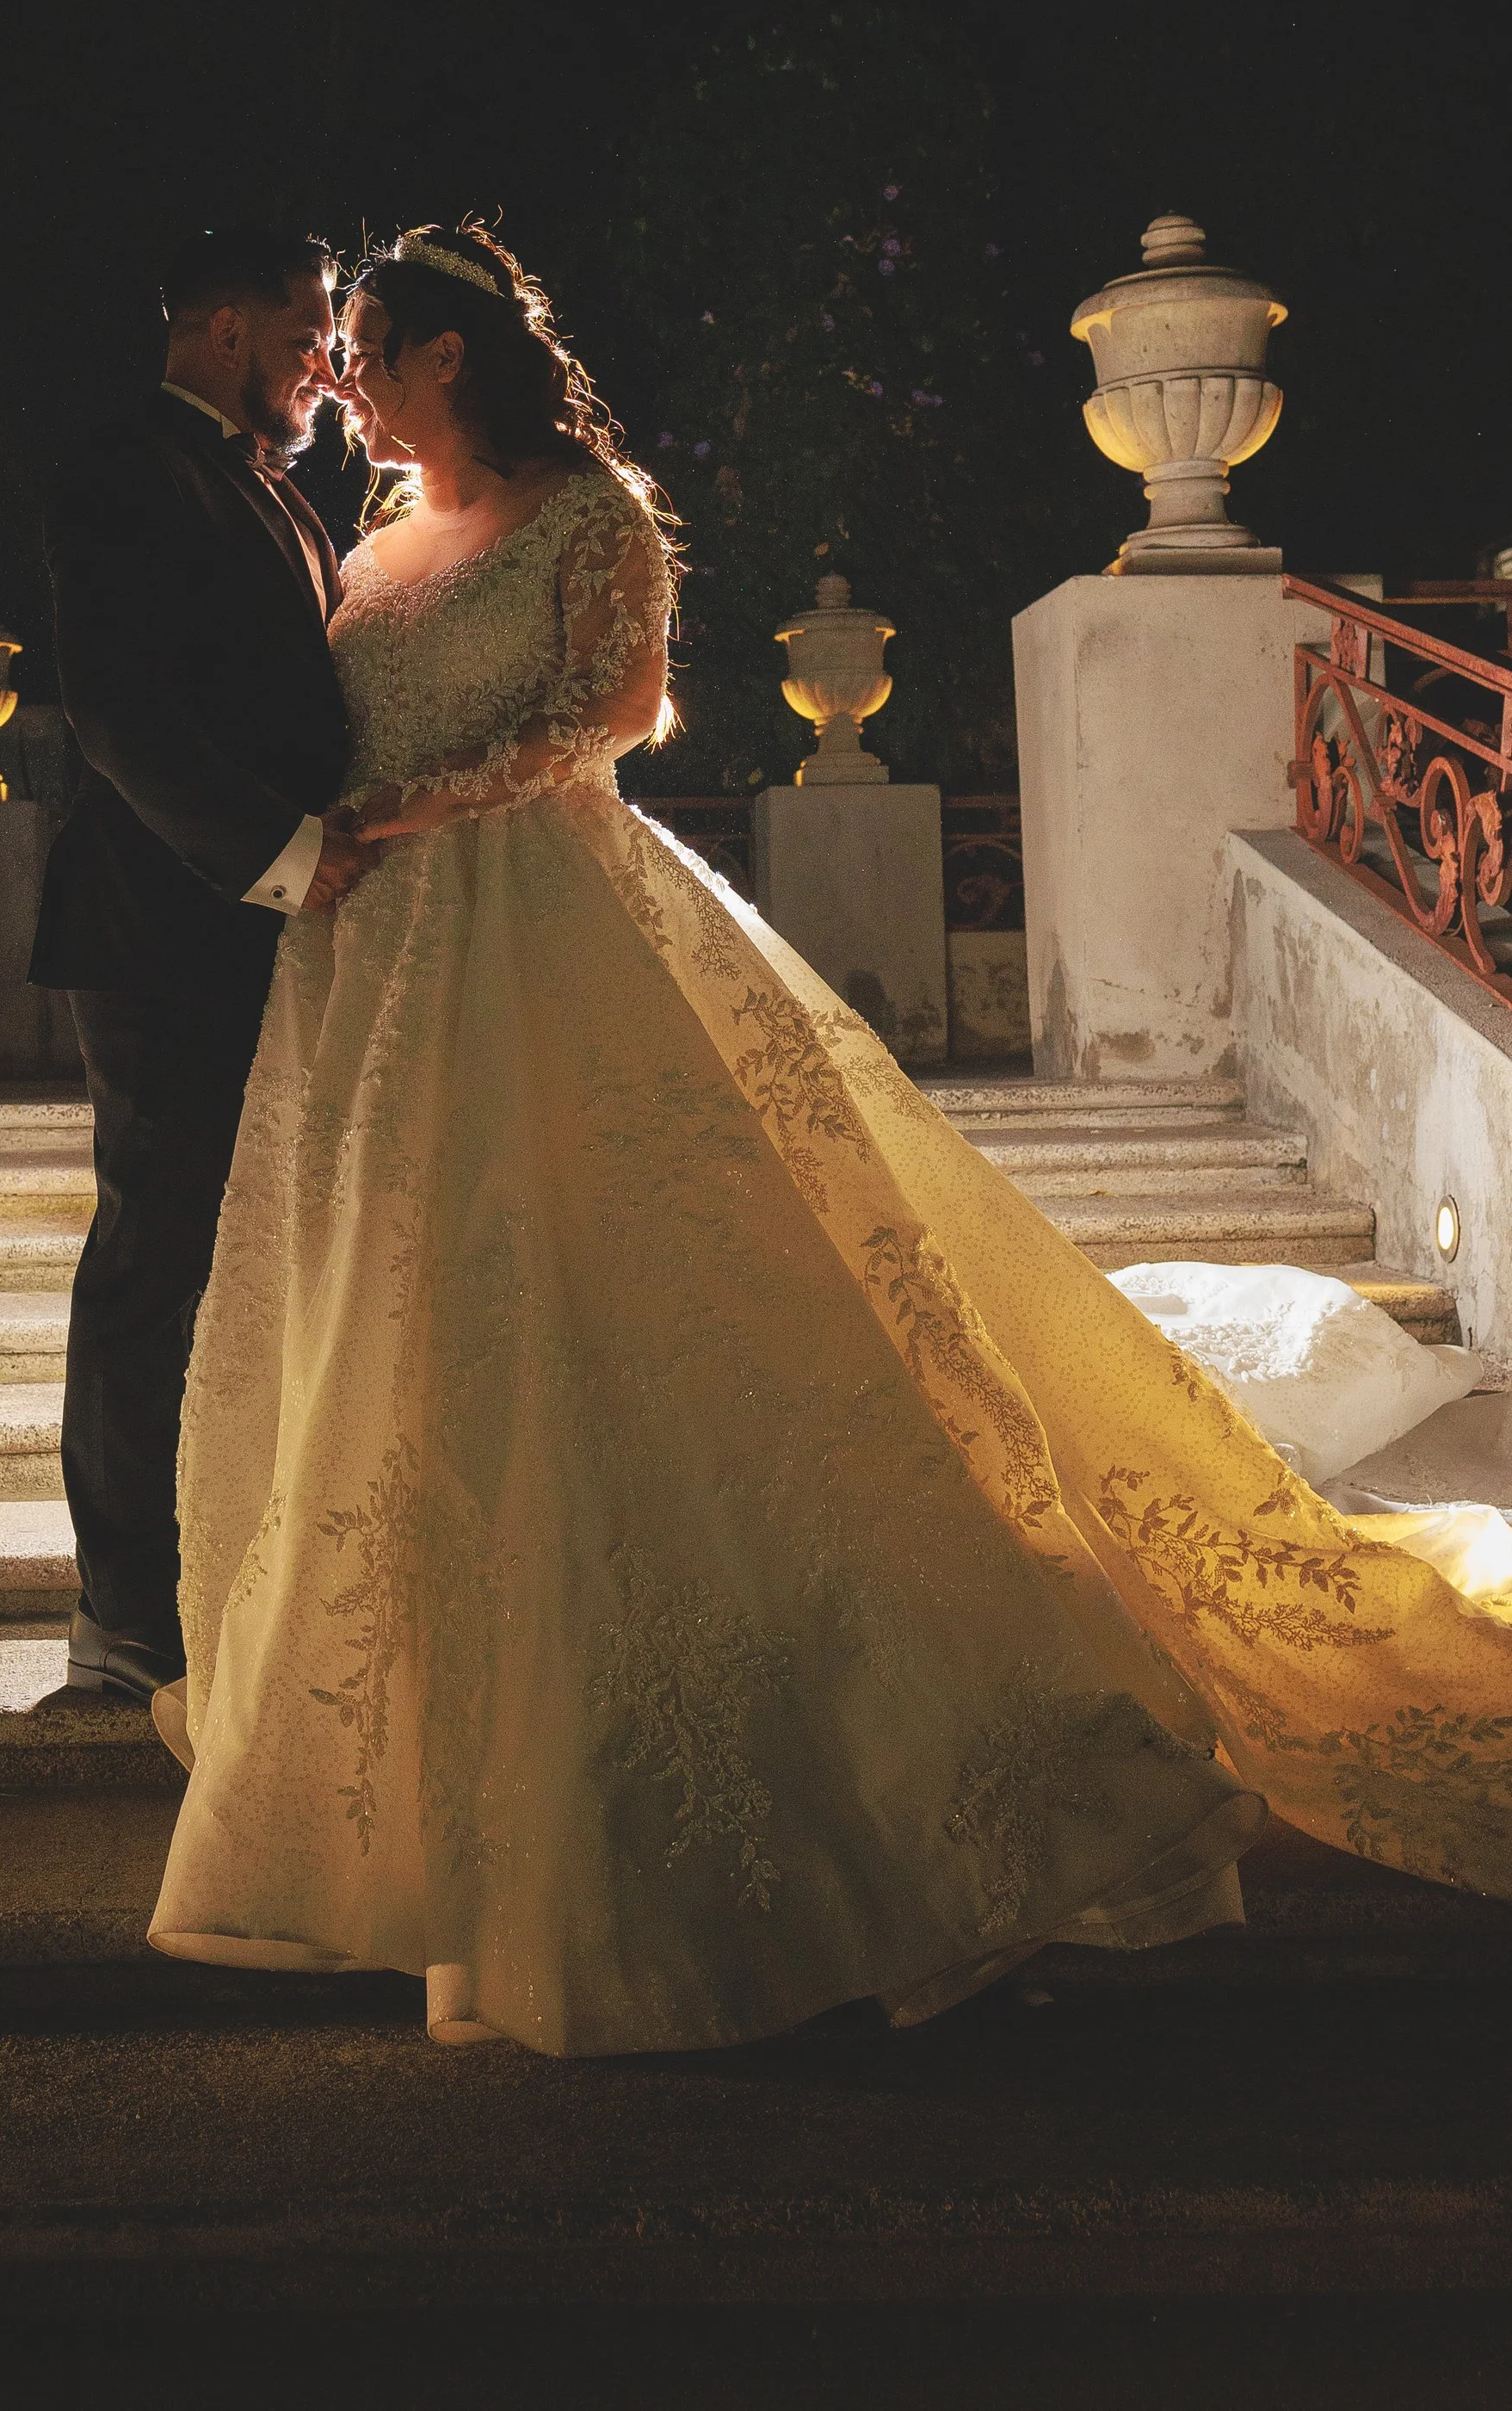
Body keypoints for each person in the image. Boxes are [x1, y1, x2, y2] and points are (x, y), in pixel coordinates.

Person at [148, 223, 1512, 2056]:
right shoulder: (368, 548)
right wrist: (357, 842)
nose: (342, 381)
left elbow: (617, 711)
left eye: (368, 349)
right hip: (386, 976)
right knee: (423, 1337)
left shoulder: (588, 518)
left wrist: (429, 806)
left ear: (450, 358)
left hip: (550, 927)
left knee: (660, 1315)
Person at [29, 226, 376, 1701]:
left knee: (249, 1265)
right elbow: (118, 711)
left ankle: (226, 1562)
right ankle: (123, 1613)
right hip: (167, 931)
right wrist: (284, 854)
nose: (325, 367)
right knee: (153, 1261)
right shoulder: (125, 470)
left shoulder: (279, 493)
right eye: (308, 335)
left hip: (275, 928)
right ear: (226, 329)